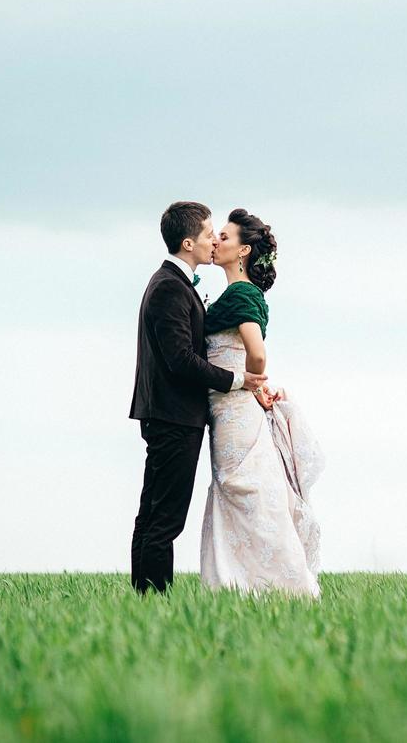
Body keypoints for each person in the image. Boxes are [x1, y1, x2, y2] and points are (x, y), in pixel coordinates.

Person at [128, 201, 268, 595]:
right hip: (174, 418)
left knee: (154, 515)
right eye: (209, 235)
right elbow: (181, 361)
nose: (213, 241)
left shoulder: (172, 284)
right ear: (188, 242)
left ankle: (146, 600)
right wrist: (239, 380)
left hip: (171, 416)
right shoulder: (170, 287)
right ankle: (154, 600)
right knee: (164, 520)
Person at [199, 208, 324, 598]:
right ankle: (252, 585)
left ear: (244, 251)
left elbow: (256, 353)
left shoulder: (241, 293)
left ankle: (265, 584)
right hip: (230, 408)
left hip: (235, 409)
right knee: (244, 493)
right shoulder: (240, 294)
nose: (216, 241)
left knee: (241, 490)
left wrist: (250, 384)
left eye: (224, 236)